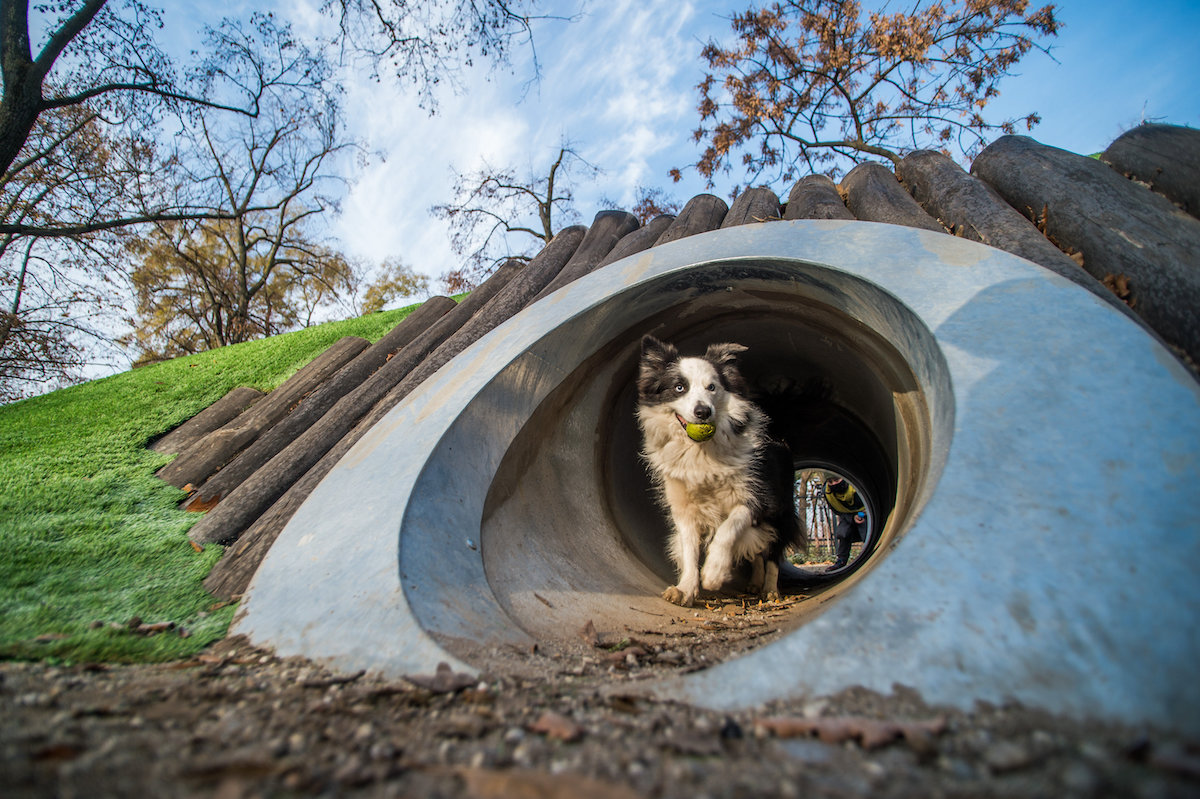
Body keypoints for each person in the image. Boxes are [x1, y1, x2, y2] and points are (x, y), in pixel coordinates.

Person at [823, 475, 867, 572]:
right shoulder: (828, 494)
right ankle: (841, 560)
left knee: (866, 530)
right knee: (843, 532)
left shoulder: (858, 486)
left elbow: (869, 506)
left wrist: (859, 514)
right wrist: (852, 517)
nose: (834, 484)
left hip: (865, 513)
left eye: (836, 480)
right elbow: (838, 511)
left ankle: (869, 554)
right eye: (830, 481)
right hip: (847, 515)